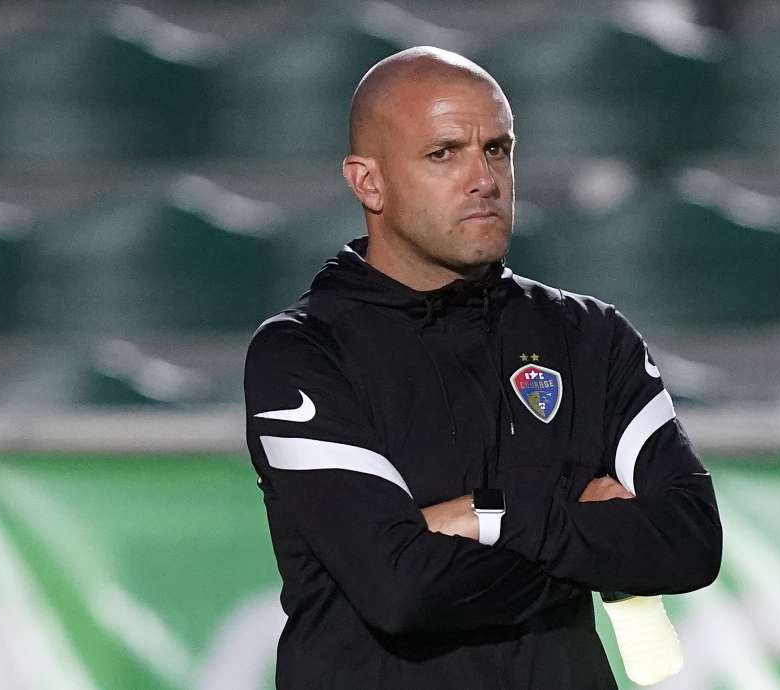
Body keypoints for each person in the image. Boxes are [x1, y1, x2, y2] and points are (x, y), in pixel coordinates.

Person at [243, 46, 722, 689]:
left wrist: (487, 517)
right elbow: (401, 588)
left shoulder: (590, 336)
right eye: (444, 153)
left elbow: (690, 540)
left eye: (497, 149)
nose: (484, 179)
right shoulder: (302, 353)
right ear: (368, 181)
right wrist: (592, 542)